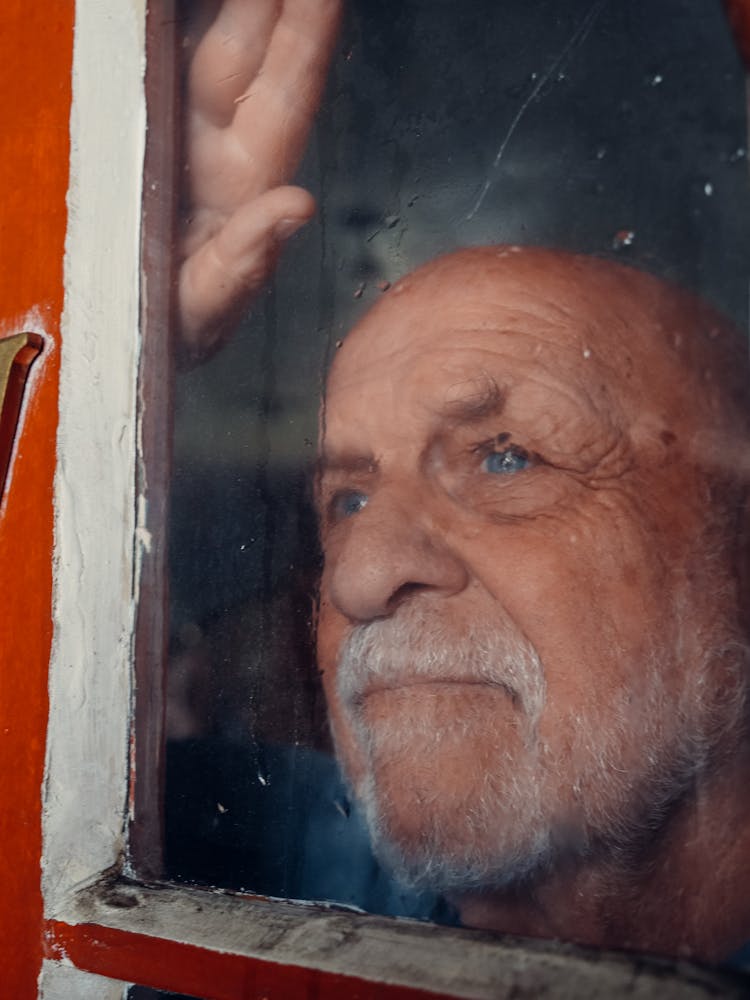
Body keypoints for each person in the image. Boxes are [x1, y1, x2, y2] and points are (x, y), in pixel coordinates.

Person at [178, 0, 750, 962]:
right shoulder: (239, 857)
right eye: (346, 500)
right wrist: (109, 347)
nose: (360, 578)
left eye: (505, 457)